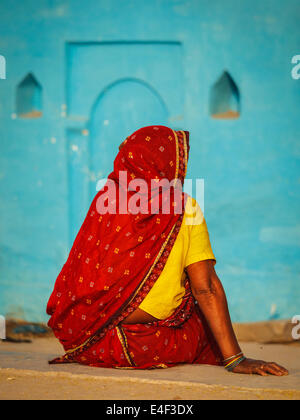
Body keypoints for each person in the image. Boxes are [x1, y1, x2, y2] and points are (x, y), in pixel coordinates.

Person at [47, 125, 288, 376]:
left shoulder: (104, 203)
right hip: (142, 343)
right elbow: (205, 287)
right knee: (203, 326)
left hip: (86, 340)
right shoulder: (184, 208)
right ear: (165, 162)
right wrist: (236, 359)